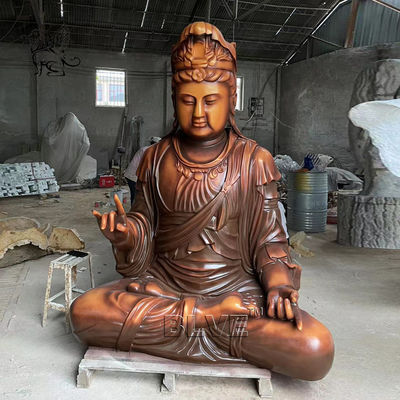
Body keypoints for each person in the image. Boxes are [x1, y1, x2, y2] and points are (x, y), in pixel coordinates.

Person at [71, 22, 334, 381]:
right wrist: (127, 235)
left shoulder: (253, 160)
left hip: (236, 291)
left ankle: (187, 326)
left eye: (210, 101)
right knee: (84, 313)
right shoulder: (155, 159)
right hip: (165, 288)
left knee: (316, 348)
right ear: (174, 99)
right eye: (187, 100)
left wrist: (278, 285)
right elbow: (145, 227)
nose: (198, 113)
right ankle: (208, 320)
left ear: (231, 99)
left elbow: (270, 241)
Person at [124, 137, 161, 204]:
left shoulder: (146, 149)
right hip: (133, 176)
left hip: (132, 175)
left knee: (137, 195)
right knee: (136, 196)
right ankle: (134, 209)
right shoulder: (148, 151)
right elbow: (147, 166)